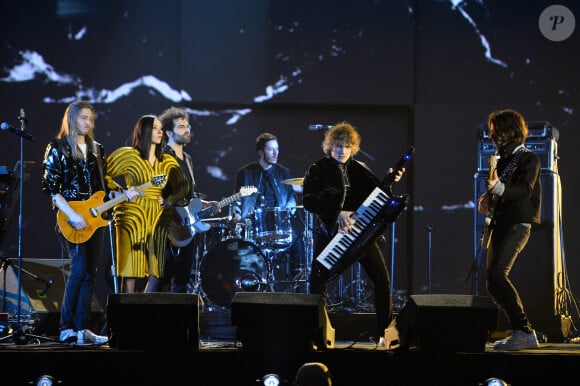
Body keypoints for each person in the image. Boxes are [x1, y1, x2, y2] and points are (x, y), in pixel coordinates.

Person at [41, 100, 137, 344]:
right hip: (71, 216)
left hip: (95, 219)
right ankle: (66, 328)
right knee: (79, 271)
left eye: (90, 119)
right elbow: (51, 187)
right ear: (72, 119)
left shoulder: (97, 149)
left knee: (90, 274)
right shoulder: (58, 147)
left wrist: (122, 194)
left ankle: (82, 329)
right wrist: (73, 215)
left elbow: (101, 187)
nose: (88, 123)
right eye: (83, 118)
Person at [302, 121, 405, 347]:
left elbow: (379, 196)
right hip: (330, 233)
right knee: (317, 284)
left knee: (382, 281)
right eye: (338, 146)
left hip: (359, 235)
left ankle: (385, 336)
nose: (342, 151)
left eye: (347, 147)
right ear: (330, 147)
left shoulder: (360, 169)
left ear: (353, 148)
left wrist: (391, 181)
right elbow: (308, 200)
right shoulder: (318, 169)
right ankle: (317, 337)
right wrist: (336, 212)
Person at [477, 109, 541, 351]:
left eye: (497, 131)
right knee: (491, 282)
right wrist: (487, 198)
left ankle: (524, 331)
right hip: (500, 224)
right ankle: (518, 330)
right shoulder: (502, 160)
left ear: (509, 131)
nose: (492, 135)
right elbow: (499, 189)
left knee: (497, 275)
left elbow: (524, 190)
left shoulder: (528, 158)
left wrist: (499, 189)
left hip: (518, 224)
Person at [105, 114, 189, 293]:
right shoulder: (128, 154)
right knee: (130, 270)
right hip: (131, 214)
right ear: (143, 131)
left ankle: (143, 307)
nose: (160, 132)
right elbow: (102, 173)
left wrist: (169, 201)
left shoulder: (166, 160)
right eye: (155, 128)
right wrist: (121, 192)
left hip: (158, 216)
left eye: (161, 129)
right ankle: (127, 311)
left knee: (156, 270)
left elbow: (183, 185)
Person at [146, 106, 220, 293]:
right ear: (169, 133)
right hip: (166, 226)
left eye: (188, 126)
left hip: (186, 227)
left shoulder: (187, 159)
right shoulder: (161, 158)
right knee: (159, 279)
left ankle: (176, 321)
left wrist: (205, 204)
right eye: (181, 127)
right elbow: (155, 192)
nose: (187, 130)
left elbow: (189, 196)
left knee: (181, 279)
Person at [233, 132, 303, 285]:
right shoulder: (245, 173)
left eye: (276, 149)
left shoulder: (284, 173)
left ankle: (297, 285)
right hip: (253, 225)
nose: (275, 153)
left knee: (298, 240)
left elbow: (291, 198)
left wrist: (288, 212)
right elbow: (237, 200)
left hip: (279, 225)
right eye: (271, 149)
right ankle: (249, 284)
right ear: (260, 152)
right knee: (242, 246)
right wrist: (237, 217)